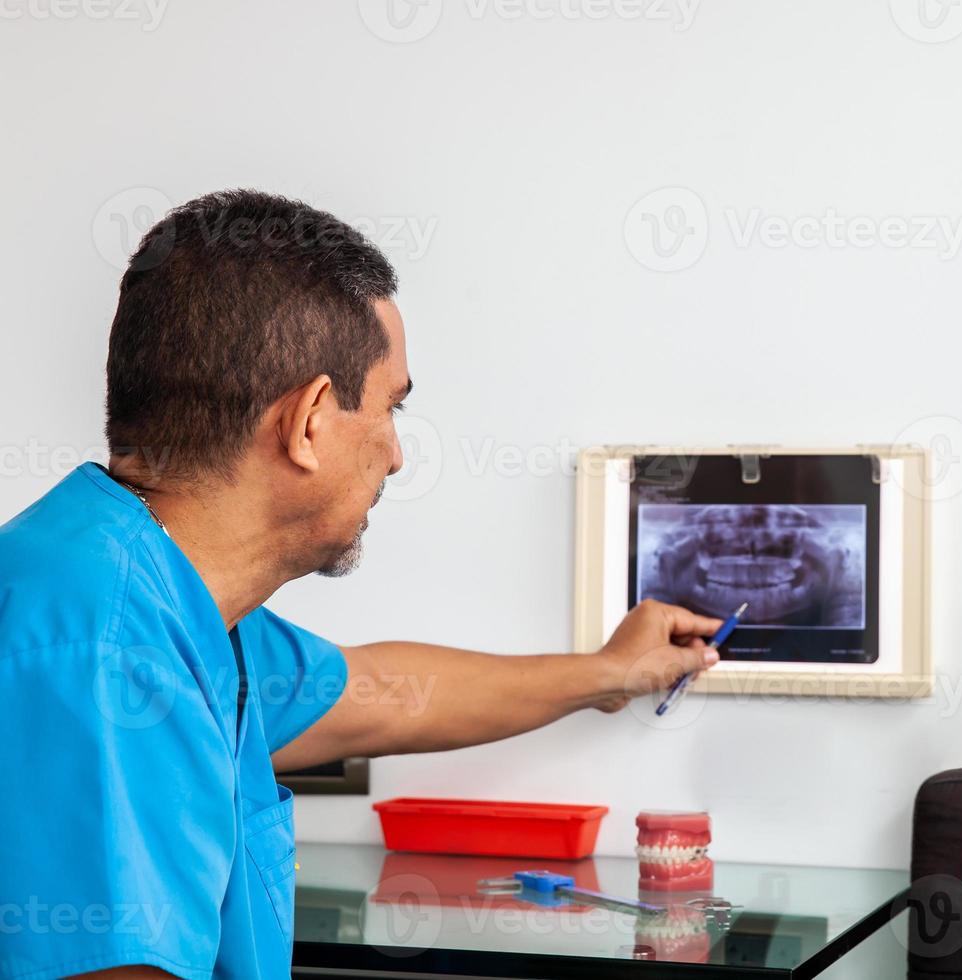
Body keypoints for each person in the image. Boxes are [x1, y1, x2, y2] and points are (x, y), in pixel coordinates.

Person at [0, 190, 724, 980]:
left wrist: (610, 674)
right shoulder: (99, 641)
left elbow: (382, 693)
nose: (396, 455)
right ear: (310, 421)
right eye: (390, 408)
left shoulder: (159, 589)